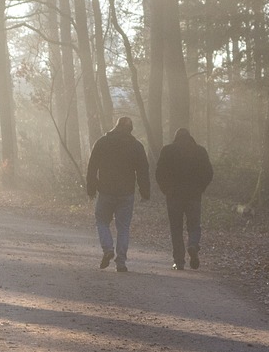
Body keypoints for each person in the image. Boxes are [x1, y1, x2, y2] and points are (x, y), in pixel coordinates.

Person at [86, 116, 151, 272]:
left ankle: (108, 248)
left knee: (101, 221)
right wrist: (145, 192)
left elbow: (92, 167)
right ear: (130, 129)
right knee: (123, 227)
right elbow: (143, 171)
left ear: (116, 126)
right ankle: (121, 262)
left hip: (106, 191)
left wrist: (91, 188)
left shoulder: (102, 142)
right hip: (126, 193)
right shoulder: (136, 146)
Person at [154, 127, 214, 270]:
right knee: (194, 225)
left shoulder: (167, 150)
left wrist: (166, 189)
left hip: (174, 195)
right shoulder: (200, 151)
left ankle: (179, 261)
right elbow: (209, 173)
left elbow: (159, 173)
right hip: (194, 195)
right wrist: (201, 188)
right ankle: (193, 244)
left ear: (176, 137)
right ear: (190, 137)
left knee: (176, 228)